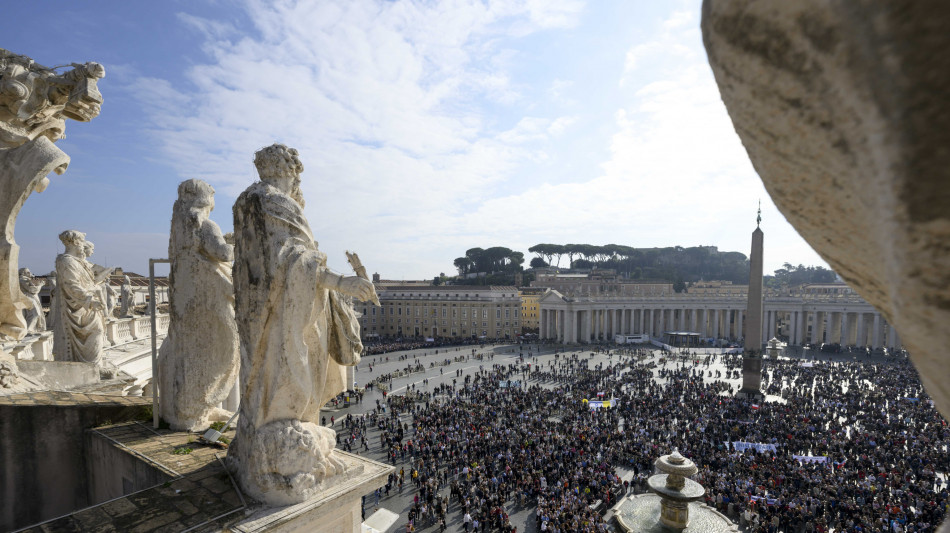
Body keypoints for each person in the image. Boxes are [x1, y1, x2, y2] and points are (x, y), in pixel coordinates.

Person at [228, 143, 377, 506]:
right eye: (297, 175)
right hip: (285, 320)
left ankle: (259, 437)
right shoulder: (274, 202)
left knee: (265, 381)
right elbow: (292, 261)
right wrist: (342, 282)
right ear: (290, 171)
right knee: (290, 382)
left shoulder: (244, 202)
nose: (299, 183)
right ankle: (284, 449)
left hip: (260, 315)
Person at [157, 179, 239, 431]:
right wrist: (237, 242)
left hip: (188, 297)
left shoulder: (180, 226)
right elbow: (223, 254)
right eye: (211, 193)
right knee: (223, 347)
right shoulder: (204, 223)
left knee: (191, 347)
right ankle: (195, 408)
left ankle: (185, 408)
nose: (214, 195)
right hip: (210, 296)